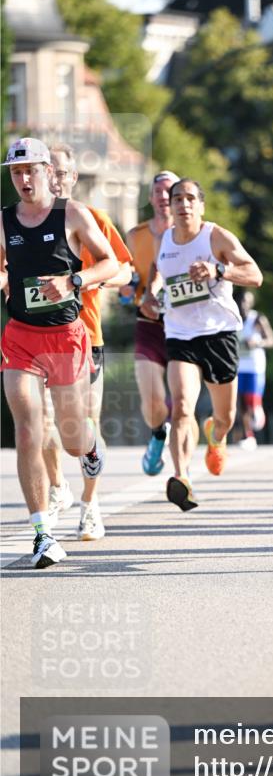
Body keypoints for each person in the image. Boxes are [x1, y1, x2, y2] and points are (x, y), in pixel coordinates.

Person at [0, 137, 117, 567]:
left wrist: (73, 282)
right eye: (16, 172)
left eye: (31, 170)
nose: (25, 179)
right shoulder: (3, 220)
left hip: (66, 336)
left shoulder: (72, 214)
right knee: (28, 428)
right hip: (20, 337)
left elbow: (110, 264)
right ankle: (42, 533)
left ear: (50, 171)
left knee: (71, 439)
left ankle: (88, 451)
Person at [142, 178, 262, 510]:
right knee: (180, 407)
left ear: (201, 205)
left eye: (190, 198)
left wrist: (217, 270)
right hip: (180, 335)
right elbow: (157, 269)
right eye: (177, 198)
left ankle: (217, 435)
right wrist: (152, 294)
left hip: (218, 332)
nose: (183, 204)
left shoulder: (215, 236)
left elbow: (255, 275)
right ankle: (183, 479)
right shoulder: (165, 238)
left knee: (224, 416)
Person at [42, 143, 133, 540]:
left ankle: (90, 504)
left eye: (62, 173)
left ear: (73, 178)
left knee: (84, 424)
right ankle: (57, 487)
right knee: (41, 421)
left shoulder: (91, 217)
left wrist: (85, 279)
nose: (56, 180)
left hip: (86, 335)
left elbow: (125, 271)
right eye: (50, 172)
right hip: (38, 337)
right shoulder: (24, 223)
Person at [120, 171, 179, 476]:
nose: (163, 196)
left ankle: (183, 470)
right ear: (150, 197)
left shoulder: (190, 231)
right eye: (157, 191)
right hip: (148, 321)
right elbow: (127, 279)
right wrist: (127, 291)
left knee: (184, 400)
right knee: (152, 399)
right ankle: (158, 434)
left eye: (169, 191)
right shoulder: (135, 235)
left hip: (185, 323)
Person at [235, 289, 273, 450]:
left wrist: (257, 343)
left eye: (246, 302)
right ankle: (248, 436)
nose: (243, 305)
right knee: (241, 402)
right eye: (240, 302)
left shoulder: (257, 318)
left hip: (254, 366)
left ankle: (257, 413)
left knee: (252, 401)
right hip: (238, 366)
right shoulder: (233, 320)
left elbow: (271, 340)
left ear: (251, 303)